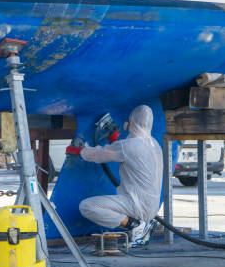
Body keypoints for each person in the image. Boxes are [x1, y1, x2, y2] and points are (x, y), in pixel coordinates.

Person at [66, 105, 163, 247]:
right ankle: (142, 225)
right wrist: (114, 141)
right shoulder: (155, 144)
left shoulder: (129, 146)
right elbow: (125, 152)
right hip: (152, 208)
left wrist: (81, 151)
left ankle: (136, 225)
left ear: (132, 121)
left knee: (87, 206)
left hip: (137, 205)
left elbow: (99, 154)